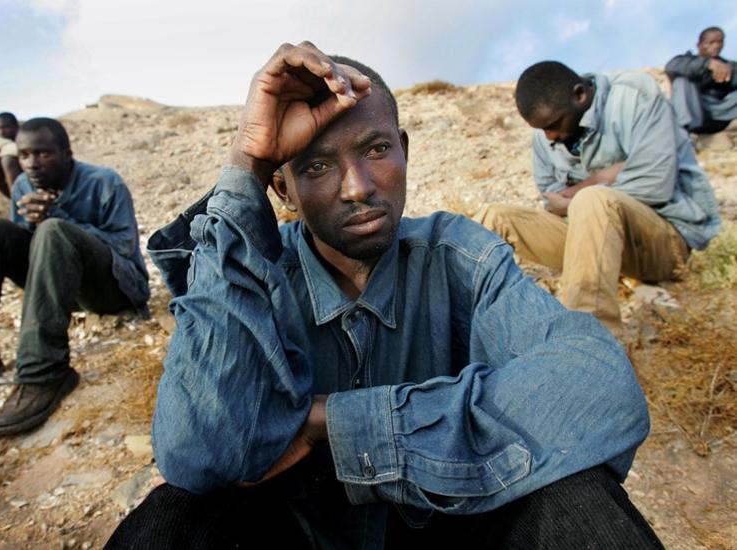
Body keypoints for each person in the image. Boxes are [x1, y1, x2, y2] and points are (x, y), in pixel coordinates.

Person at [106, 43, 663, 549]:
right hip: (297, 533)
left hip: (453, 524)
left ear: (403, 150)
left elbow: (600, 390)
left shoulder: (462, 259)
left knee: (577, 493)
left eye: (375, 150)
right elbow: (196, 456)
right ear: (283, 188)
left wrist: (330, 420)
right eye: (317, 166)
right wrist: (245, 166)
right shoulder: (254, 273)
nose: (357, 187)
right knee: (174, 517)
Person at [0, 117, 149, 436]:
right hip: (60, 289)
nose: (32, 164)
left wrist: (56, 219)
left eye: (43, 154)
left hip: (113, 290)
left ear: (67, 153)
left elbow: (124, 245)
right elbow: (24, 248)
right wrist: (36, 226)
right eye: (24, 156)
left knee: (53, 230)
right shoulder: (23, 185)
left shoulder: (105, 182)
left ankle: (44, 372)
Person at [475, 61, 720, 332]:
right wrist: (608, 175)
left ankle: (589, 349)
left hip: (666, 242)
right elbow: (551, 199)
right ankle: (457, 337)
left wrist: (587, 190)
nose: (550, 136)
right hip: (592, 241)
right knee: (494, 217)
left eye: (554, 125)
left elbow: (655, 184)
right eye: (541, 129)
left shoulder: (635, 97)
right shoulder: (546, 136)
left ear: (580, 95)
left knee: (592, 201)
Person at [666, 26, 737, 134]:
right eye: (711, 42)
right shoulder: (685, 60)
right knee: (681, 81)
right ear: (700, 45)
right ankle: (684, 131)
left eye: (720, 42)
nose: (717, 46)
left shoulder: (728, 65)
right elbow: (671, 67)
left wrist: (729, 73)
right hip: (695, 113)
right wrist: (707, 64)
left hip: (721, 113)